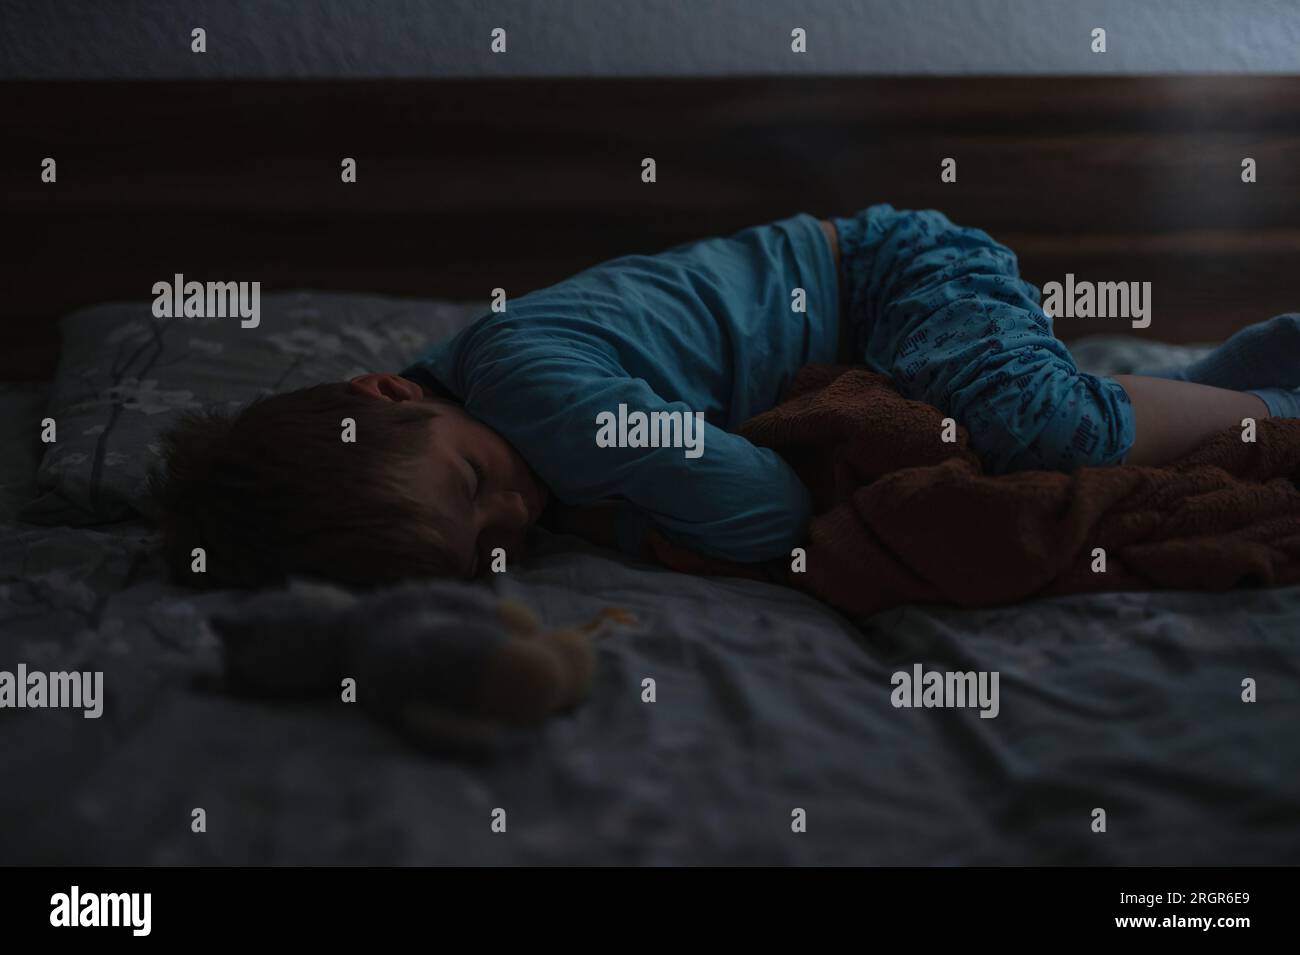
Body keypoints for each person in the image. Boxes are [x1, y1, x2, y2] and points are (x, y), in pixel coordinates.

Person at [153, 204, 1298, 588]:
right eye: (487, 550)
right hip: (867, 307)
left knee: (1045, 433)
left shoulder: (538, 393)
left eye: (473, 483)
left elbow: (759, 508)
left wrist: (626, 508)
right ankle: (1228, 377)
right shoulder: (483, 393)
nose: (517, 516)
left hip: (889, 275)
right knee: (1028, 430)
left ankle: (1271, 418)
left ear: (387, 386)